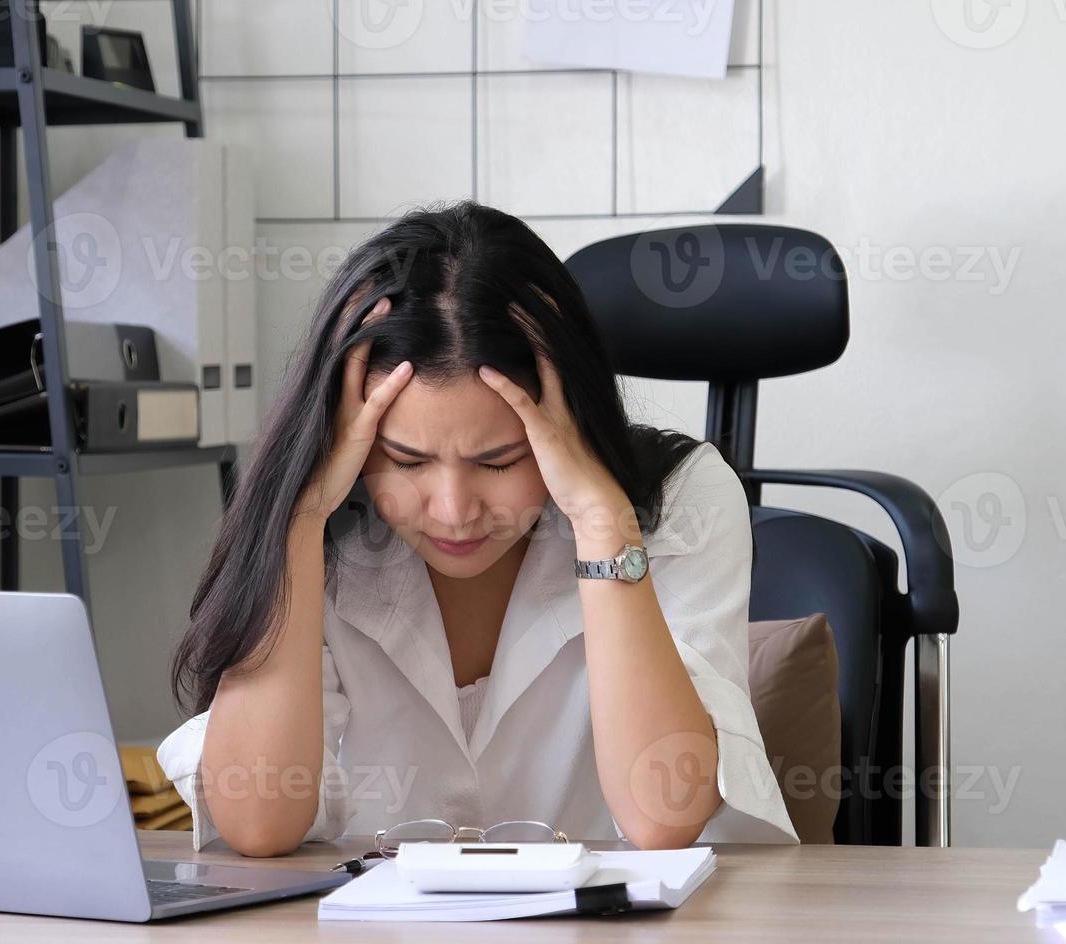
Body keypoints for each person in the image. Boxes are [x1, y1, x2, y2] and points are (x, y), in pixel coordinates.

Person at [159, 202, 797, 856]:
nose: (453, 510)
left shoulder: (684, 496)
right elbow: (258, 824)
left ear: (567, 416)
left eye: (498, 461)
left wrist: (602, 524)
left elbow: (664, 816)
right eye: (407, 461)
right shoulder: (323, 523)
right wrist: (297, 518)